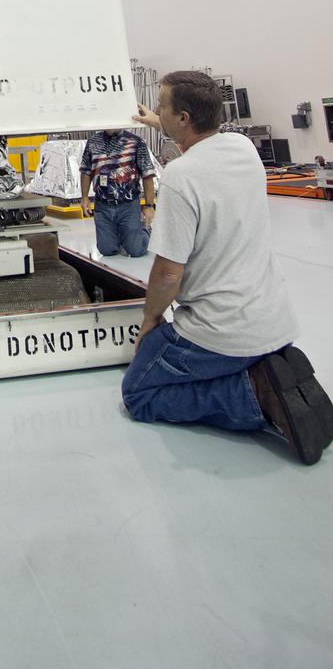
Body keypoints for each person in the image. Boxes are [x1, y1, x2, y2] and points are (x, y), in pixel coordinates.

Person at [123, 71, 333, 465]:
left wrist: (150, 319)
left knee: (139, 394)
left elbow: (168, 273)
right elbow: (203, 143)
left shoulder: (181, 177)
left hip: (221, 332)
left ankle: (253, 394)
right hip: (273, 320)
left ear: (183, 118)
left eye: (161, 107)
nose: (156, 111)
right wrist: (159, 123)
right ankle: (268, 372)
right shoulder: (242, 148)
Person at [79, 127, 156, 258]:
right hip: (102, 206)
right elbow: (86, 171)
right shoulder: (93, 142)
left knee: (136, 250)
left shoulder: (136, 142)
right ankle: (122, 236)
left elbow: (147, 176)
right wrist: (84, 197)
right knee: (106, 250)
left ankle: (145, 230)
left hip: (129, 205)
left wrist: (149, 206)